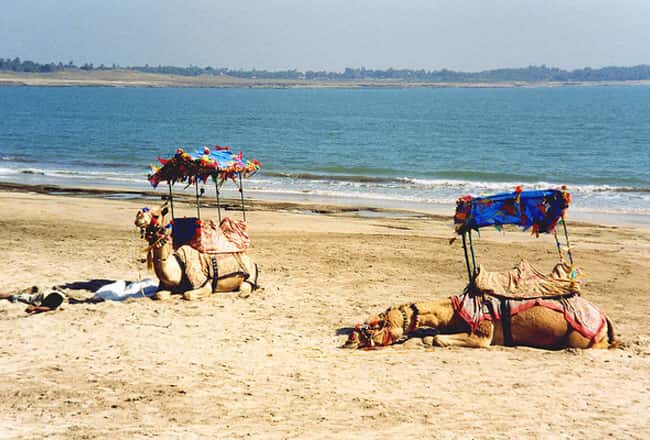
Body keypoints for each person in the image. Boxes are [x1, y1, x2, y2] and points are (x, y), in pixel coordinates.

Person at [0, 286, 66, 314]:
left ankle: (32, 292)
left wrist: (35, 308)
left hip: (45, 293)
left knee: (18, 297)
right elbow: (48, 308)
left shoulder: (56, 298)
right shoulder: (54, 298)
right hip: (41, 295)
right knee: (16, 297)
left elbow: (48, 307)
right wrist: (35, 308)